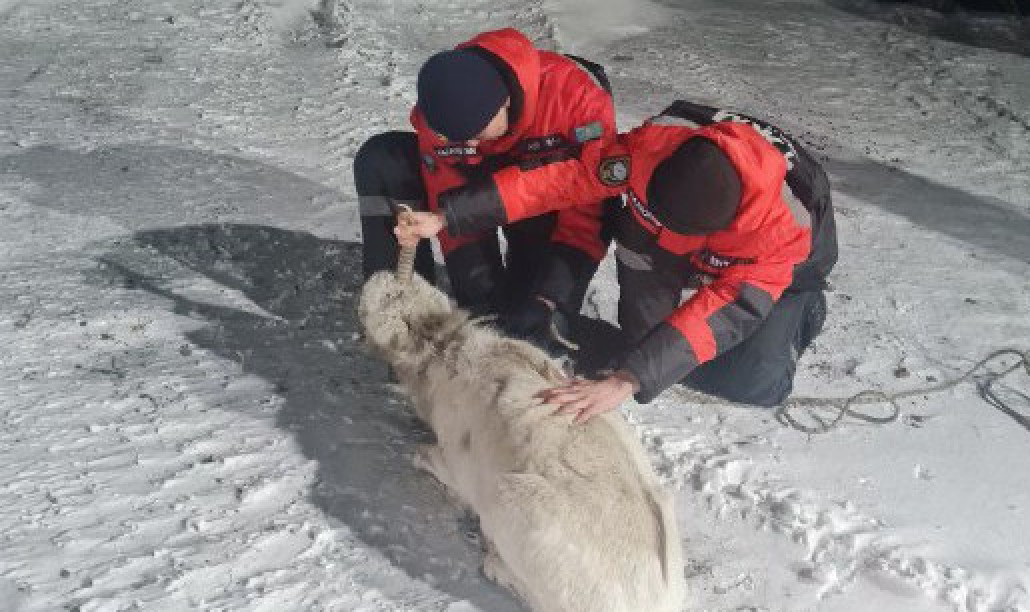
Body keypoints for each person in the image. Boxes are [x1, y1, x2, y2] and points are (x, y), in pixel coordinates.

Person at [397, 100, 838, 421]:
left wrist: (629, 381)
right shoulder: (648, 150)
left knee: (754, 384)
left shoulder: (784, 229)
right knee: (643, 343)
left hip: (783, 269)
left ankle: (802, 312)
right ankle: (635, 332)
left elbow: (728, 305)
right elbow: (557, 181)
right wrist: (449, 214)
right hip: (656, 236)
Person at [353, 27, 617, 343]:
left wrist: (550, 298)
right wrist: (478, 294)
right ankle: (406, 331)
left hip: (553, 210)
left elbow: (587, 215)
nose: (469, 144)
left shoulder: (578, 103)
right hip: (476, 205)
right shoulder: (441, 117)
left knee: (537, 328)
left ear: (504, 102)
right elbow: (450, 201)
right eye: (458, 140)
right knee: (382, 158)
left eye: (476, 134)